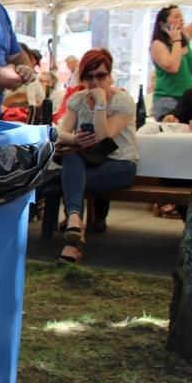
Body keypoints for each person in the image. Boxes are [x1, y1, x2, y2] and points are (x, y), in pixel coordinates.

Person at [54, 49, 137, 264]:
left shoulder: (123, 101)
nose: (94, 81)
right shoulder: (77, 99)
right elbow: (62, 134)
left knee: (66, 180)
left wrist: (101, 103)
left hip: (120, 164)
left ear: (110, 75)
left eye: (100, 75)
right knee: (71, 159)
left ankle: (74, 231)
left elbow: (104, 135)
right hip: (86, 163)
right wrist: (75, 140)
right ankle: (74, 224)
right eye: (88, 76)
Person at [149, 5, 192, 121]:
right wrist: (176, 40)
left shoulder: (184, 36)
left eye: (181, 16)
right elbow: (172, 67)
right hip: (168, 100)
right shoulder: (158, 45)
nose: (181, 19)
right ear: (162, 24)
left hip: (187, 100)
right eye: (176, 17)